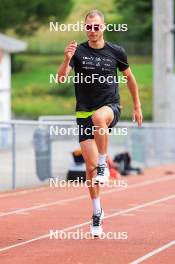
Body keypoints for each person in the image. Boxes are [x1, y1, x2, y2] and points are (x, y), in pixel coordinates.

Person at [57, 9, 142, 237]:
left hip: (109, 108)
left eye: (96, 26)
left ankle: (105, 163)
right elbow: (61, 78)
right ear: (85, 28)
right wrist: (66, 60)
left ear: (103, 27)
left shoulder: (116, 51)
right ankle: (97, 212)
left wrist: (137, 106)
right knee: (90, 170)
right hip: (83, 113)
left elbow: (130, 78)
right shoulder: (78, 51)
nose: (92, 31)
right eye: (89, 27)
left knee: (99, 118)